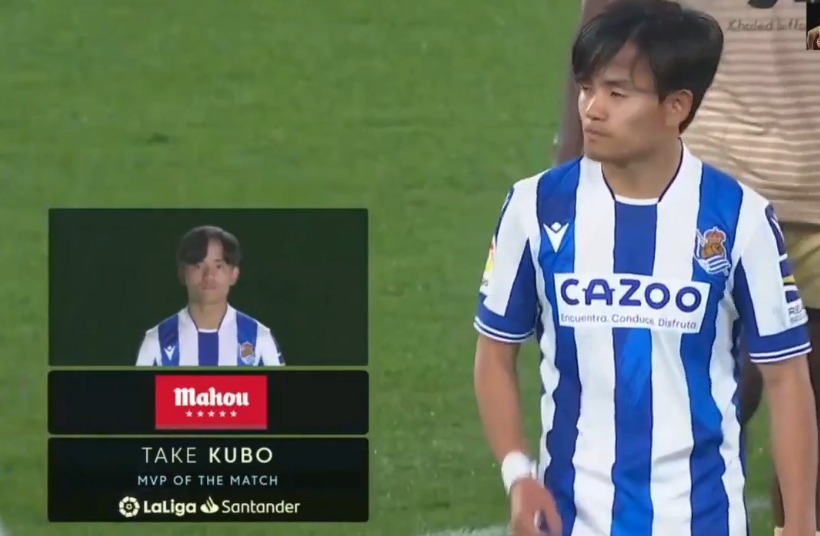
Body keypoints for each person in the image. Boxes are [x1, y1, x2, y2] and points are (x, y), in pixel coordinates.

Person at [475, 1, 817, 535]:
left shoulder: (741, 219)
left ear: (675, 106)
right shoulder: (534, 208)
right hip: (571, 522)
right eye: (586, 88)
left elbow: (786, 378)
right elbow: (495, 353)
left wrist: (800, 523)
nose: (592, 109)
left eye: (617, 94)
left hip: (703, 522)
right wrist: (518, 473)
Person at [136, 225, 284, 367]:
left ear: (234, 274)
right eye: (198, 266)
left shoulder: (259, 338)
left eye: (218, 266)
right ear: (182, 273)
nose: (208, 275)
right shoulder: (156, 341)